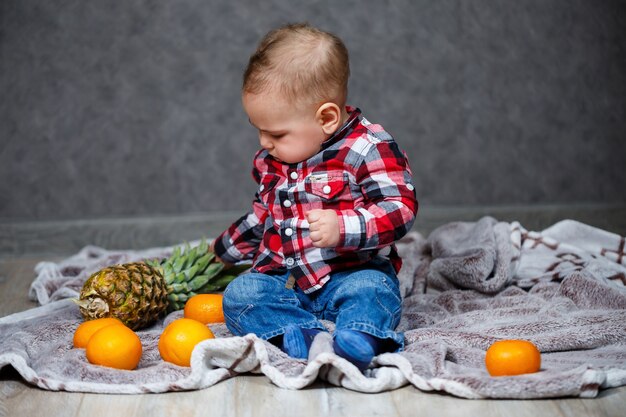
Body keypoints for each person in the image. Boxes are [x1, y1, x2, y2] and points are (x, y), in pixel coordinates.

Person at [212, 22, 418, 371]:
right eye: (258, 130)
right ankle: (300, 334)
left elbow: (400, 208)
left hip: (351, 273)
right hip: (288, 282)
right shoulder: (272, 160)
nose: (264, 142)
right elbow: (263, 218)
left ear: (325, 118)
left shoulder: (367, 148)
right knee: (240, 295)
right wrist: (222, 251)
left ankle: (360, 337)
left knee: (375, 291)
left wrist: (345, 227)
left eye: (275, 132)